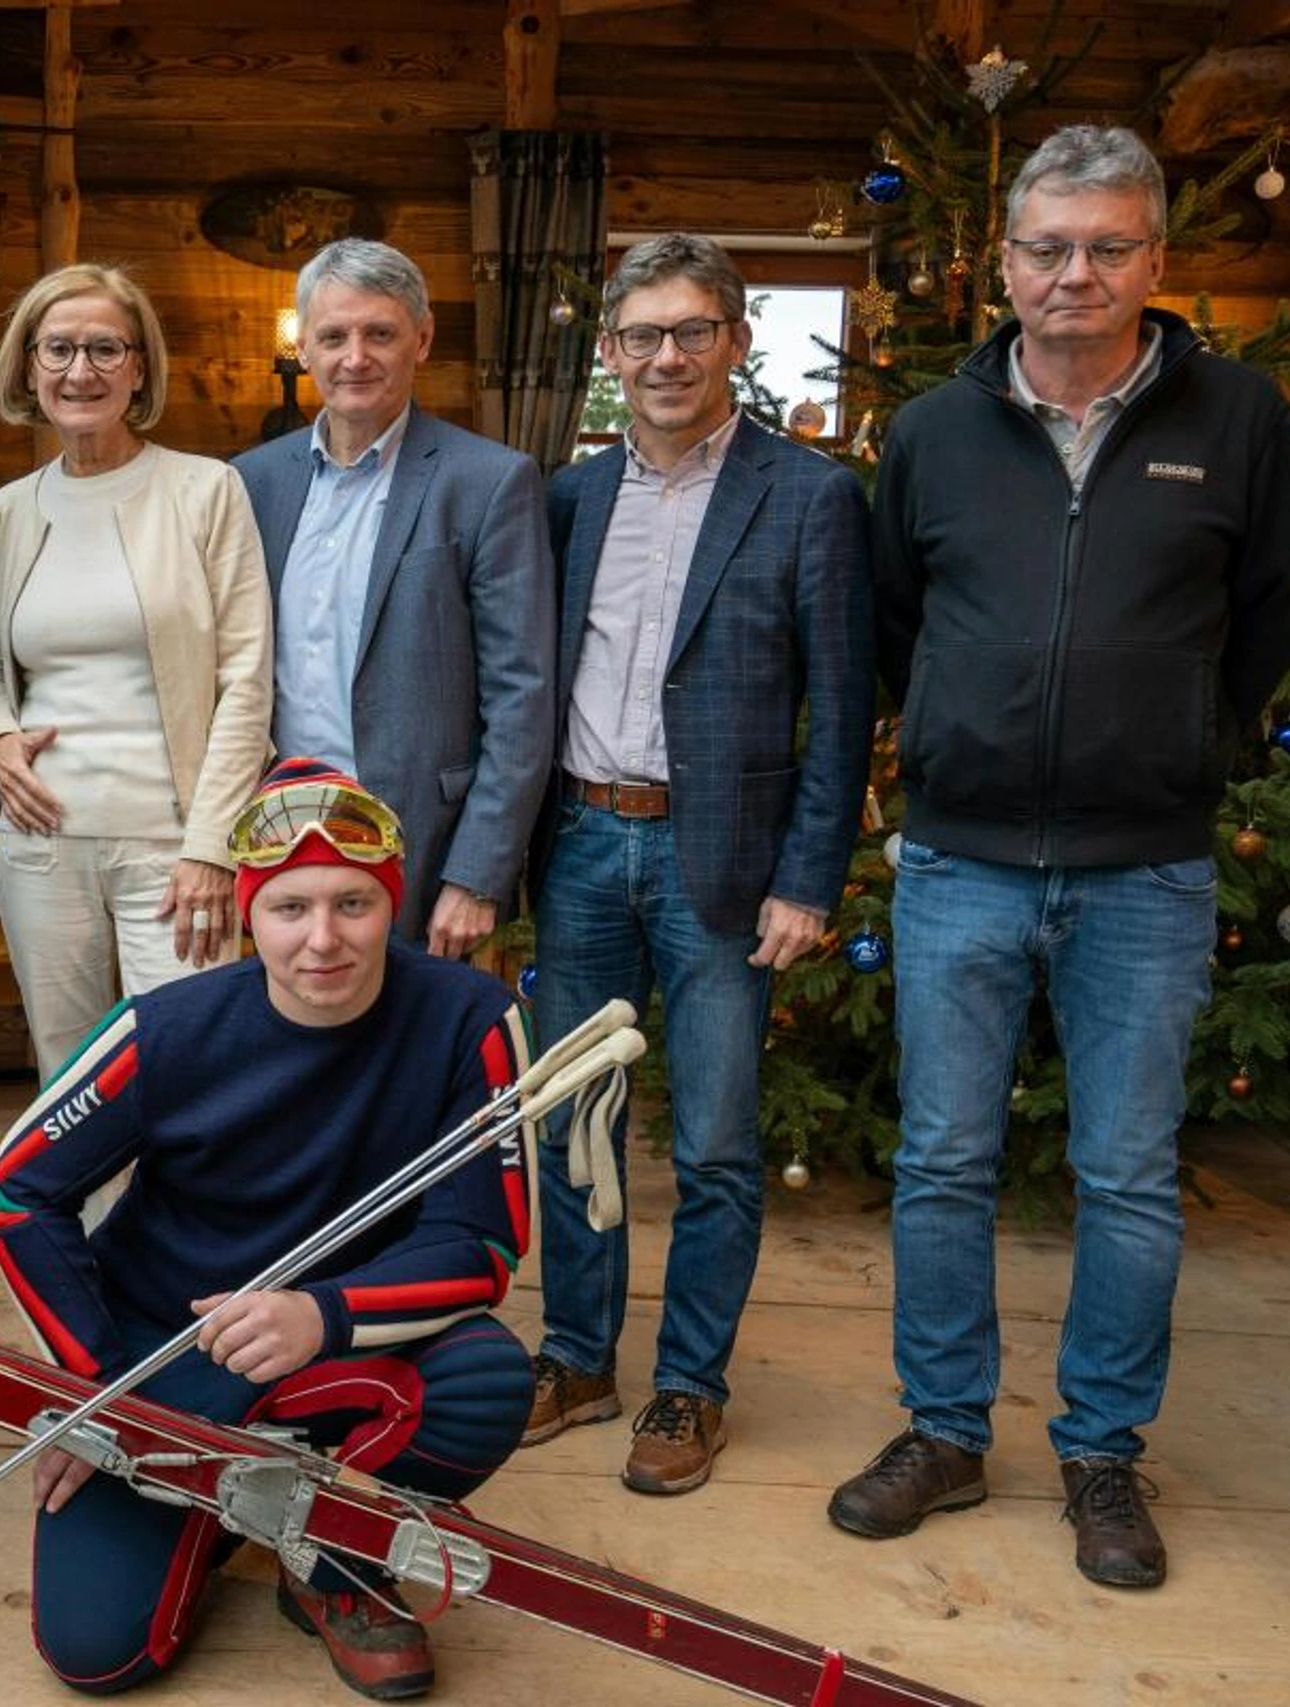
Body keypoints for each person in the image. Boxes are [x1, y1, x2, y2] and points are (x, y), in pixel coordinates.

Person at [833, 125, 1290, 1588]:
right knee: (943, 1159)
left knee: (1125, 1171)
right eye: (1048, 246)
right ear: (1007, 260)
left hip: (1145, 868)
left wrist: (1171, 744)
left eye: (1108, 246)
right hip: (962, 858)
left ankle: (1102, 1447)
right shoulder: (930, 429)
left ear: (1157, 262)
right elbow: (900, 621)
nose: (1075, 273)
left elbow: (1268, 621)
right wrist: (969, 734)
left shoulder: (1239, 418)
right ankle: (947, 1427)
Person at [0, 760, 534, 1702]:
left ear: (390, 902)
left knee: (483, 1379)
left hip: (331, 1354)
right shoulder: (165, 1029)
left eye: (353, 903)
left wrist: (323, 1314)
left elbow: (481, 1242)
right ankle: (221, 1504)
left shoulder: (470, 1019)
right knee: (97, 1652)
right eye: (290, 907)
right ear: (251, 912)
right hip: (167, 1364)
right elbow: (15, 1190)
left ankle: (327, 1555)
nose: (323, 938)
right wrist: (95, 1394)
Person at [526, 235, 872, 1492]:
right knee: (569, 1120)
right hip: (577, 843)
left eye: (691, 331)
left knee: (718, 1140)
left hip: (720, 860)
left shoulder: (809, 496)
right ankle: (574, 1356)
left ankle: (687, 1387)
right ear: (609, 353)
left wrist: (810, 879)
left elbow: (838, 710)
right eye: (640, 336)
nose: (664, 357)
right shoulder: (564, 499)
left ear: (735, 340)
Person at [0, 262, 274, 1075]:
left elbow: (246, 678)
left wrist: (213, 844)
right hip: (41, 846)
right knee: (68, 1082)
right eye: (60, 348)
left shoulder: (207, 491)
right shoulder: (7, 511)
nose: (82, 371)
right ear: (29, 367)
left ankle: (181, 1214)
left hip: (174, 849)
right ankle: (89, 1213)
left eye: (106, 348)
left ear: (140, 368)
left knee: (192, 1072)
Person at [233, 238, 556, 957]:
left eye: (379, 333)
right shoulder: (251, 482)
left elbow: (522, 696)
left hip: (418, 840)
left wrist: (478, 874)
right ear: (305, 348)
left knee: (412, 1058)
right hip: (276, 831)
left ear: (423, 337)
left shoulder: (488, 481)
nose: (356, 356)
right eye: (334, 335)